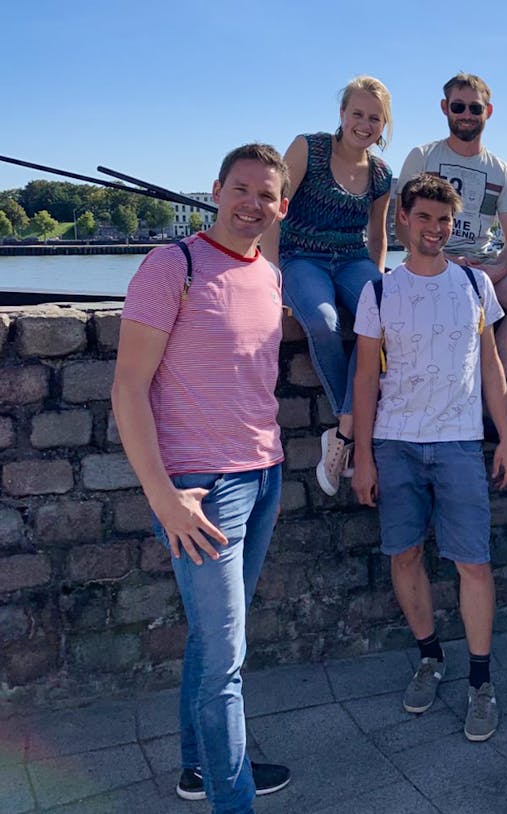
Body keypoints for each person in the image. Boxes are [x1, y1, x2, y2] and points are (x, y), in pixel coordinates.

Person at [112, 144, 294, 812]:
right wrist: (163, 498)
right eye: (241, 189)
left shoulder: (269, 275)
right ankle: (232, 798)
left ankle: (200, 769)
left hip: (266, 472)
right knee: (226, 663)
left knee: (214, 643)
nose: (252, 203)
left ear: (281, 207)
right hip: (201, 488)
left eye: (266, 195)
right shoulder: (173, 266)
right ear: (217, 190)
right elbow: (127, 387)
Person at [350, 173, 507, 742]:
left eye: (443, 220)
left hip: (460, 440)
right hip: (396, 441)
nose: (434, 229)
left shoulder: (473, 286)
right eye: (423, 218)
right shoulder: (378, 291)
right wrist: (364, 456)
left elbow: (491, 367)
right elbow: (365, 378)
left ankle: (480, 680)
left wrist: (506, 437)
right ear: (402, 219)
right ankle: (428, 656)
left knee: (473, 561)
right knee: (404, 555)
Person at [263, 76, 394, 497]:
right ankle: (349, 420)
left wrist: (376, 288)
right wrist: (268, 275)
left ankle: (342, 434)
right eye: (357, 113)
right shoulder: (309, 149)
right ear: (342, 114)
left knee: (381, 317)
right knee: (323, 323)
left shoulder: (380, 173)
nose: (364, 123)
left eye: (375, 118)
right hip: (303, 257)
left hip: (353, 260)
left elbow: (377, 235)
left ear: (384, 124)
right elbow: (275, 214)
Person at [394, 73, 507, 376]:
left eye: (475, 108)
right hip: (430, 257)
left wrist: (495, 271)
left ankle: (490, 390)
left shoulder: (501, 171)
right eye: (459, 107)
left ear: (488, 111)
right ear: (445, 108)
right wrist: (442, 261)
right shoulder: (423, 157)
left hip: (480, 262)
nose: (467, 115)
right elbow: (402, 223)